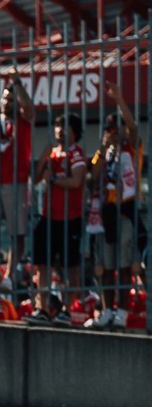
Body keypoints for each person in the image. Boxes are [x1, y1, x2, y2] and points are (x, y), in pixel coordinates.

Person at [87, 87, 140, 329]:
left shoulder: (131, 148)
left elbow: (134, 127)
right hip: (105, 216)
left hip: (126, 212)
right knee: (105, 266)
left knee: (124, 264)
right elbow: (93, 174)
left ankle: (123, 310)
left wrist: (119, 99)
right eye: (110, 131)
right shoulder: (102, 154)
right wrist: (102, 149)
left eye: (117, 130)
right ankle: (107, 309)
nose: (115, 135)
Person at [0, 76, 37, 288]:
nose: (7, 103)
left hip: (17, 182)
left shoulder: (24, 120)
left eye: (12, 99)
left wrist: (18, 85)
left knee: (17, 232)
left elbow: (29, 109)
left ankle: (11, 276)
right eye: (5, 98)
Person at [33, 113, 88, 294]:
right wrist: (42, 159)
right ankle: (43, 307)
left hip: (70, 218)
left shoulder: (76, 153)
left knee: (71, 266)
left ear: (74, 132)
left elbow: (76, 181)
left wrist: (54, 179)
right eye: (58, 126)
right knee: (42, 263)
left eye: (65, 127)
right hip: (48, 217)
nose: (60, 131)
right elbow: (34, 180)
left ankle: (72, 310)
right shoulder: (52, 153)